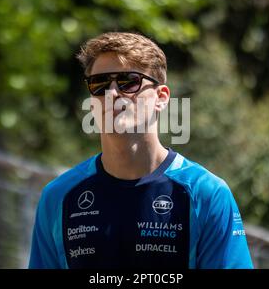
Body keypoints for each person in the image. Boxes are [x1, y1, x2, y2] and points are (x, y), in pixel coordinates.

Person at [28, 32, 253, 269]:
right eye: (99, 84)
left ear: (161, 97)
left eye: (129, 81)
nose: (113, 94)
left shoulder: (206, 193)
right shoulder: (58, 197)